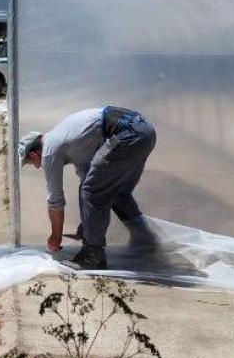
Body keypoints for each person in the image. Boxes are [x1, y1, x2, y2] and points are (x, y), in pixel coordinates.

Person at [19, 106, 157, 269]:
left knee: (92, 192)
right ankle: (145, 239)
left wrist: (55, 237)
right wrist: (87, 224)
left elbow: (56, 201)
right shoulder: (68, 139)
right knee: (116, 192)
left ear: (33, 154)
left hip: (126, 135)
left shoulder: (49, 151)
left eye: (30, 162)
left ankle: (93, 256)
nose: (36, 167)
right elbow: (89, 179)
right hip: (144, 131)